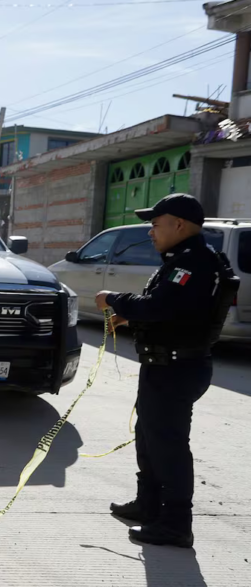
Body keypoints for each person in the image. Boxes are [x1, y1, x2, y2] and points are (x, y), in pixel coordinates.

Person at [95, 194, 238, 548]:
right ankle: (148, 504)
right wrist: (131, 315)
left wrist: (114, 298)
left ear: (180, 225)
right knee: (149, 438)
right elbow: (178, 310)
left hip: (177, 367)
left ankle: (175, 523)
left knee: (169, 446)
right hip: (166, 364)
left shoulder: (194, 262)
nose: (151, 233)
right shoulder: (185, 260)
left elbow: (161, 305)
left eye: (156, 225)